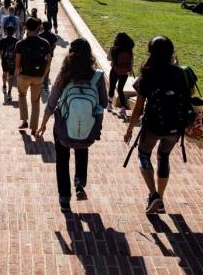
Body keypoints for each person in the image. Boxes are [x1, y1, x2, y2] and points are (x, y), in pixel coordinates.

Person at [124, 35, 196, 214]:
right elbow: (191, 93)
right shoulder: (181, 72)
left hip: (153, 126)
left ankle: (153, 194)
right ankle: (161, 200)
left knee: (144, 155)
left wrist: (130, 129)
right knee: (164, 157)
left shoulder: (147, 74)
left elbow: (138, 108)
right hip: (176, 126)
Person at [35, 38, 108, 212]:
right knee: (82, 149)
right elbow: (104, 103)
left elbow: (51, 103)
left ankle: (64, 200)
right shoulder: (97, 77)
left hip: (63, 129)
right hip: (87, 130)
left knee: (62, 160)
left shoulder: (64, 76)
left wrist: (43, 125)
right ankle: (80, 183)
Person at [15, 17, 53, 135]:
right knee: (35, 101)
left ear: (25, 27)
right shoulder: (45, 43)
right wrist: (44, 75)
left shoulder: (20, 44)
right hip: (38, 76)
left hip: (24, 76)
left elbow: (17, 63)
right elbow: (49, 61)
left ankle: (24, 121)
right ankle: (34, 127)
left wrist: (18, 74)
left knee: (22, 95)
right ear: (38, 27)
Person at [107, 32, 135, 119]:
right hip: (124, 73)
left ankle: (109, 105)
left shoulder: (113, 49)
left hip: (114, 71)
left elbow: (108, 58)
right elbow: (131, 62)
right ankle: (123, 108)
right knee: (120, 89)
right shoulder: (129, 50)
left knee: (112, 87)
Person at [0, 25, 19, 103]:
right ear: (13, 32)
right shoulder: (16, 41)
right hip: (13, 61)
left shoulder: (3, 40)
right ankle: (9, 92)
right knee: (11, 76)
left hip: (5, 60)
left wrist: (1, 57)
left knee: (4, 73)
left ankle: (4, 85)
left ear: (6, 31)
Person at [39, 19, 58, 90]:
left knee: (41, 67)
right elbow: (55, 45)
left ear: (43, 26)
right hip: (49, 54)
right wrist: (51, 51)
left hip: (41, 54)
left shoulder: (40, 35)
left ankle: (40, 82)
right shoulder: (52, 35)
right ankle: (45, 84)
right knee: (47, 68)